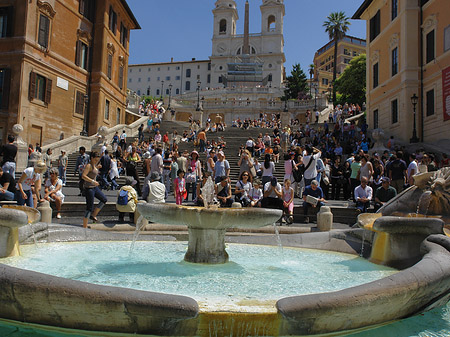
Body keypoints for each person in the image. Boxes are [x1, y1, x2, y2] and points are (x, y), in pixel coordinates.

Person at [81, 151, 108, 228]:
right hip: (89, 188)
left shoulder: (94, 165)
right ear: (92, 158)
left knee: (104, 199)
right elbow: (83, 176)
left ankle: (93, 215)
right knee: (89, 207)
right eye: (95, 159)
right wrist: (92, 181)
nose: (97, 161)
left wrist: (97, 167)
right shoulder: (89, 166)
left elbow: (93, 171)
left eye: (98, 160)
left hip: (94, 188)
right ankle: (84, 226)